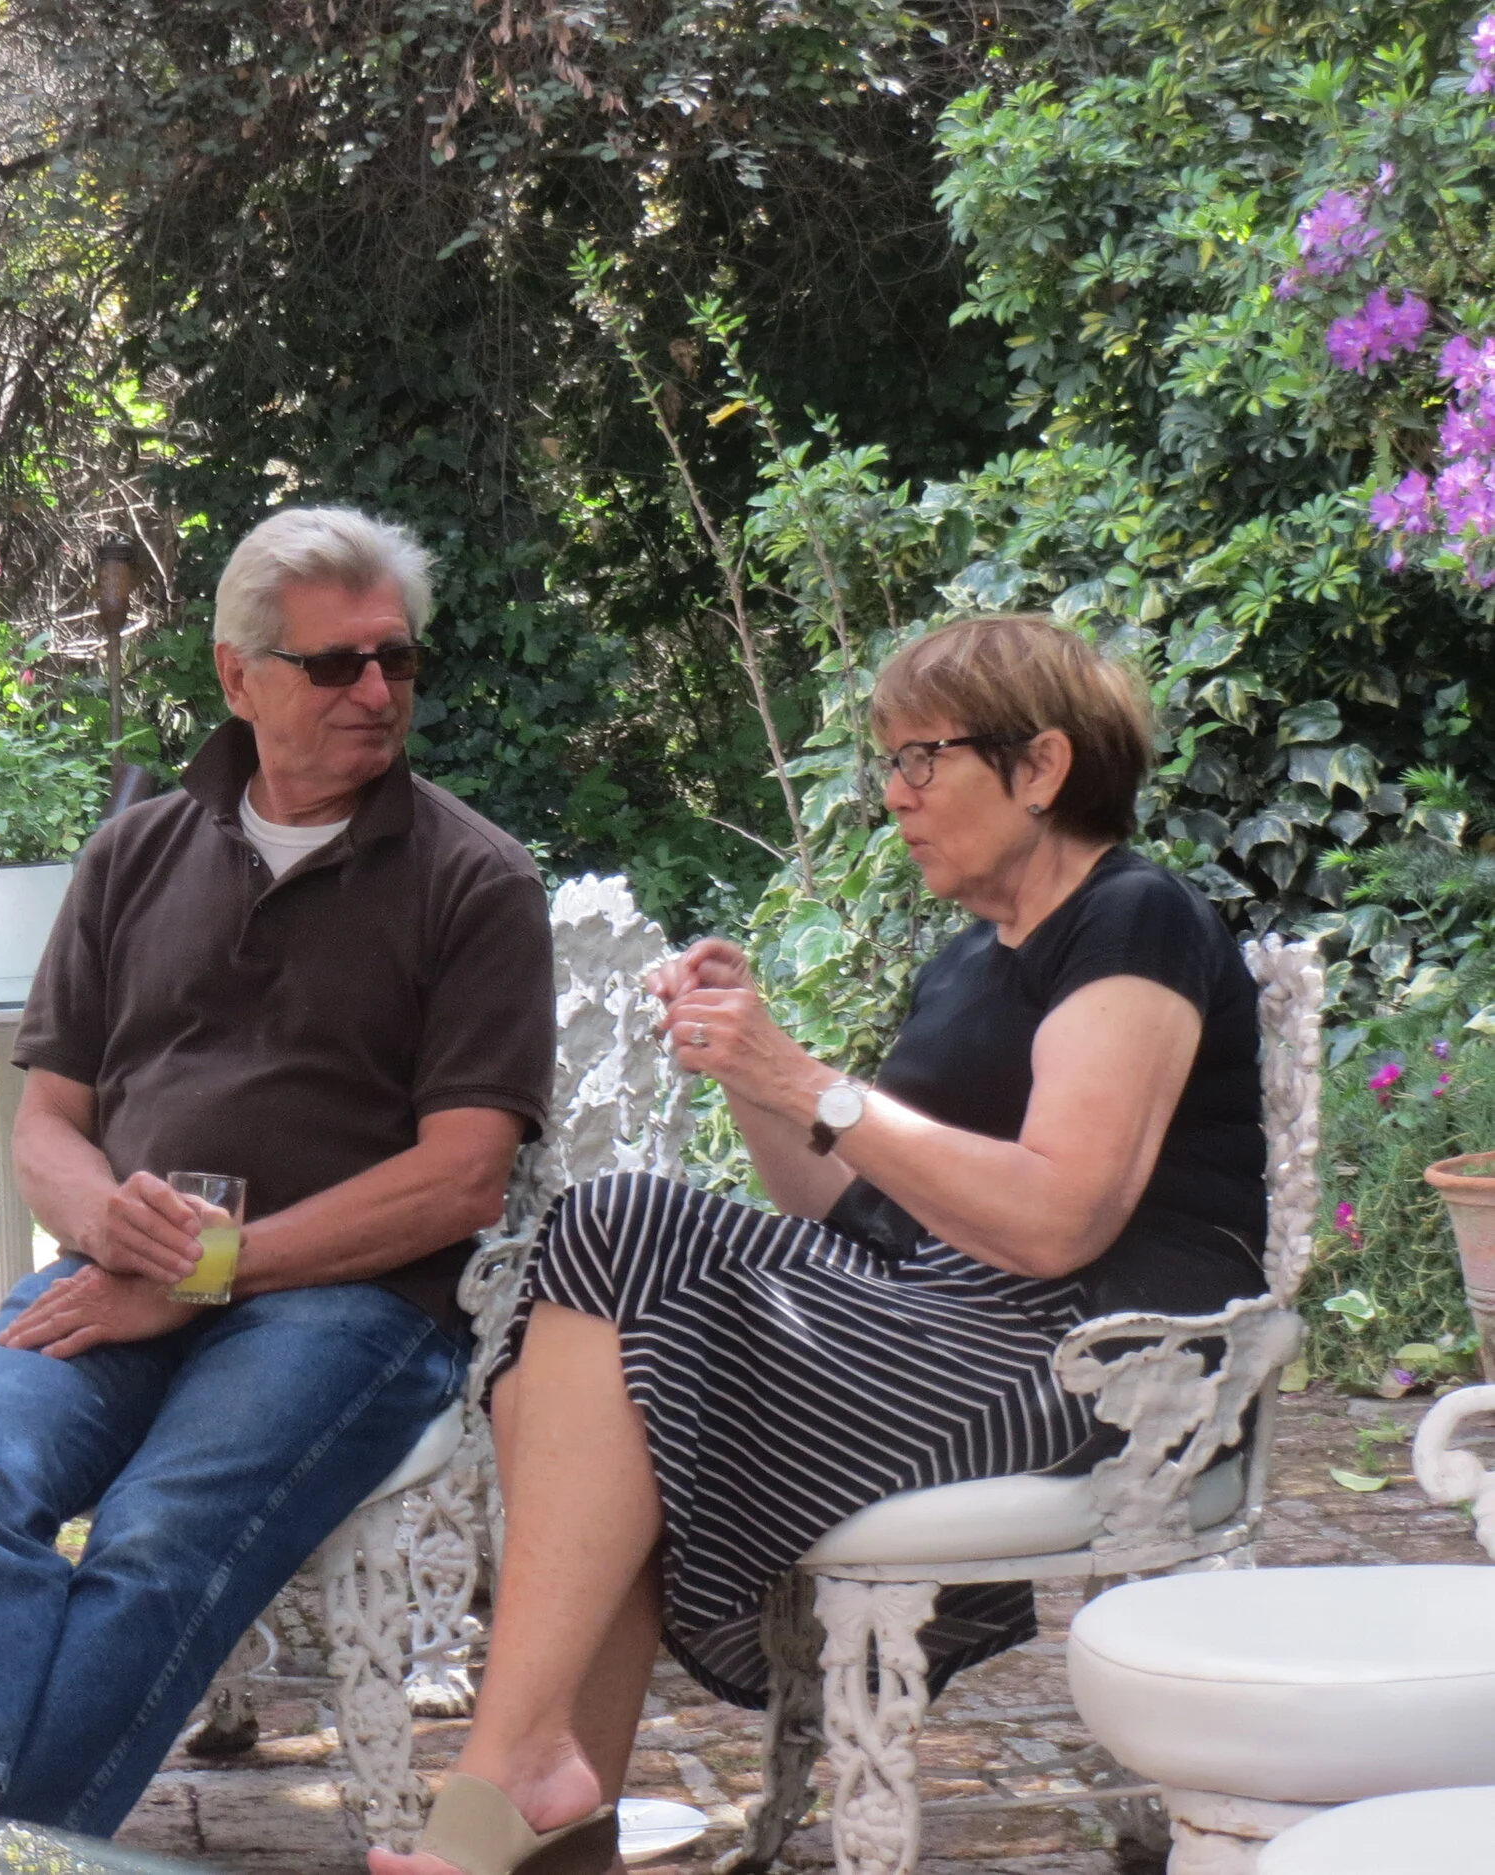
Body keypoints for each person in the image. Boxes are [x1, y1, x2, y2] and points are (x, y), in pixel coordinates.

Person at [376, 613, 1268, 1875]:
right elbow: (838, 1209)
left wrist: (813, 1083)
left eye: (921, 760)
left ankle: (526, 1786)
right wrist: (752, 1063)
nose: (891, 797)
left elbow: (1063, 1213)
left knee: (622, 1324)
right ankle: (541, 1777)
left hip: (1090, 1357)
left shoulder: (1134, 919)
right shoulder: (970, 961)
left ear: (1042, 766)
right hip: (939, 1312)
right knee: (610, 1231)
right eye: (885, 765)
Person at [0, 506, 558, 1837]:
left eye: (398, 660)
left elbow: (460, 1180)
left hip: (352, 1304)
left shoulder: (472, 878)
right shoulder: (137, 851)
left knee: (158, 1538)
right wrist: (109, 1219)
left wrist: (212, 1271)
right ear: (240, 675)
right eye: (336, 663)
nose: (378, 690)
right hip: (124, 1271)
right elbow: (48, 1121)